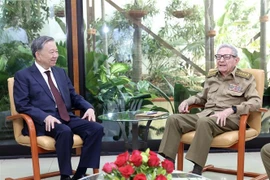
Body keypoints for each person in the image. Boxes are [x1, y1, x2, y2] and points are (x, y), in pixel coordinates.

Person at [158, 44, 262, 175]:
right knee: (174, 119)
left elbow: (256, 102)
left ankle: (196, 171)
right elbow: (202, 97)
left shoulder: (245, 79)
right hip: (206, 115)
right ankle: (169, 167)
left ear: (236, 60)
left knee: (204, 122)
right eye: (218, 57)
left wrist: (232, 109)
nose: (221, 60)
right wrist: (188, 101)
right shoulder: (212, 76)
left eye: (226, 57)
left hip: (230, 119)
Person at [13, 36, 104, 180]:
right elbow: (22, 104)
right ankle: (65, 175)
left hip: (65, 116)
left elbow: (74, 96)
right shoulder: (23, 76)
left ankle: (80, 172)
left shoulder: (60, 73)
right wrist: (44, 116)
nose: (56, 55)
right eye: (51, 52)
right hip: (42, 121)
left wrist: (89, 107)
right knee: (64, 131)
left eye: (56, 51)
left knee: (96, 128)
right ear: (38, 54)